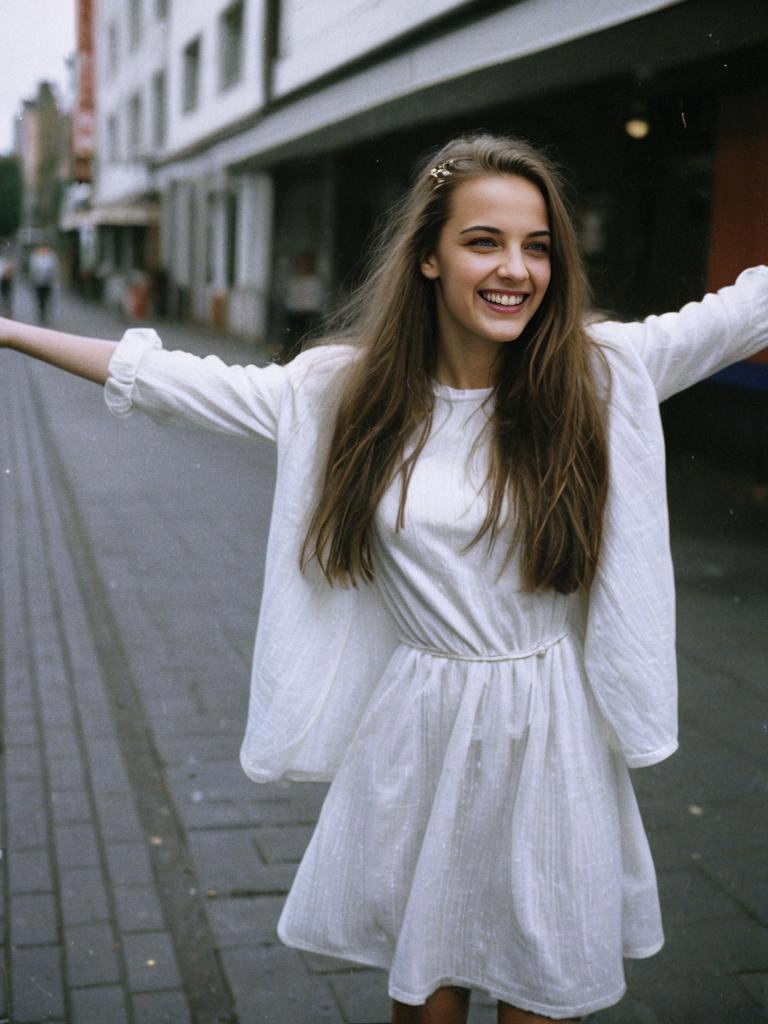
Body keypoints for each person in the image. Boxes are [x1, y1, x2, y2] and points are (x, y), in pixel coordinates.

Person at [0, 133, 766, 1024]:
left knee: (541, 997)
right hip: (419, 730)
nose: (516, 268)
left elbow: (747, 309)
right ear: (429, 257)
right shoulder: (347, 393)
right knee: (424, 1001)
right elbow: (170, 378)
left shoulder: (599, 375)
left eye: (538, 245)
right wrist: (11, 330)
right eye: (484, 241)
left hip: (551, 732)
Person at [28, 244, 58, 323]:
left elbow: (54, 268)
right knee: (40, 298)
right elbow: (32, 269)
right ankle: (42, 313)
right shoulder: (35, 257)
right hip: (38, 282)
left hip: (48, 282)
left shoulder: (51, 257)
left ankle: (45, 313)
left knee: (47, 298)